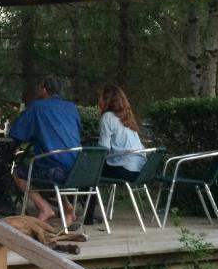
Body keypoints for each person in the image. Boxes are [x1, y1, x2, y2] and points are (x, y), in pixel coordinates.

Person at [9, 75, 82, 226]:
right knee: (54, 164)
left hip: (55, 169)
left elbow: (17, 133)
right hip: (77, 169)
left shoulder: (37, 107)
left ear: (43, 89)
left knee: (19, 172)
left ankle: (44, 208)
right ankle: (67, 208)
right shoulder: (72, 108)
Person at [89, 85, 146, 224]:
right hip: (140, 170)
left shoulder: (107, 117)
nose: (99, 100)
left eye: (100, 97)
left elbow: (103, 149)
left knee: (88, 173)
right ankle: (87, 213)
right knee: (93, 172)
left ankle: (87, 217)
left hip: (124, 169)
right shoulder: (128, 117)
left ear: (106, 100)